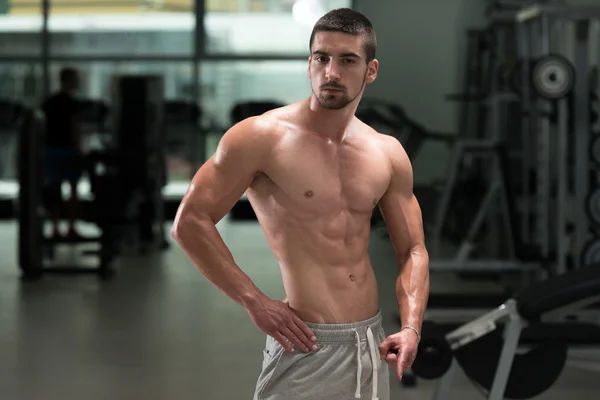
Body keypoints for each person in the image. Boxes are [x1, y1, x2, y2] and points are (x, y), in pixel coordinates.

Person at [171, 8, 429, 400]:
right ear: (309, 63)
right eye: (321, 58)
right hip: (306, 341)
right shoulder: (261, 138)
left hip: (370, 342)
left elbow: (412, 249)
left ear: (371, 70)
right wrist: (254, 301)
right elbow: (190, 221)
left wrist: (411, 325)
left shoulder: (387, 153)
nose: (331, 72)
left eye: (347, 60)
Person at [42, 67, 84, 239]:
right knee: (73, 190)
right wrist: (79, 148)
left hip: (52, 150)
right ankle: (71, 227)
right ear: (68, 80)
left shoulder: (49, 103)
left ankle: (55, 227)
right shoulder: (72, 104)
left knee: (55, 190)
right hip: (68, 150)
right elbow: (75, 128)